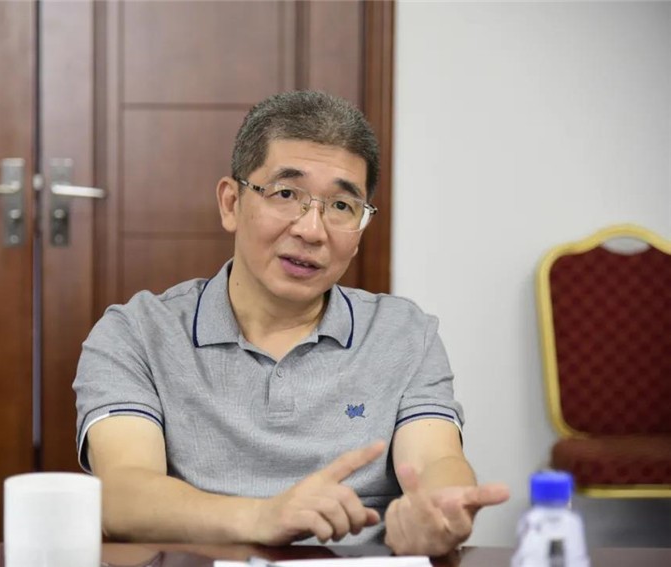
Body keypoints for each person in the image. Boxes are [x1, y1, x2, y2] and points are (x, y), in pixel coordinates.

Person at [73, 91, 509, 555]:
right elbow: (122, 496)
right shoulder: (137, 334)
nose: (311, 230)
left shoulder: (404, 333)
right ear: (231, 203)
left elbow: (436, 460)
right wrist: (263, 517)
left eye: (341, 206)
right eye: (286, 194)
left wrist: (438, 511)